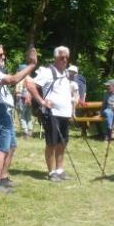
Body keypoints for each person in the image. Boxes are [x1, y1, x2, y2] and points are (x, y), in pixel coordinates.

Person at [0, 43, 38, 194]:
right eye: (0, 55)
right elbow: (13, 80)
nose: (3, 57)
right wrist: (32, 65)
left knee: (11, 145)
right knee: (2, 147)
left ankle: (3, 177)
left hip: (4, 110)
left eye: (3, 54)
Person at [26, 46, 76, 182]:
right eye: (61, 57)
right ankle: (51, 172)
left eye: (66, 57)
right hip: (52, 113)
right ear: (55, 58)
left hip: (65, 114)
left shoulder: (66, 73)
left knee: (62, 143)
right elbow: (30, 84)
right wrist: (42, 102)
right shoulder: (48, 72)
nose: (64, 60)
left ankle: (59, 170)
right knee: (51, 143)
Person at [14, 65, 35, 137]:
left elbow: (17, 91)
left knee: (21, 116)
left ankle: (25, 132)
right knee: (28, 116)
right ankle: (30, 130)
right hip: (30, 100)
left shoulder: (20, 79)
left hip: (21, 100)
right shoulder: (31, 79)